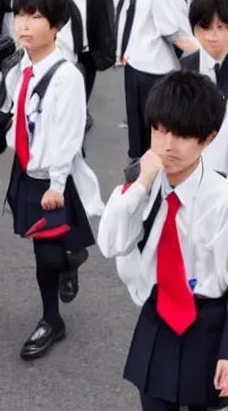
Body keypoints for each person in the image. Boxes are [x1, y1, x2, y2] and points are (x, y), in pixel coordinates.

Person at [97, 71, 228, 411]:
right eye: (160, 130)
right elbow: (110, 244)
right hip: (158, 316)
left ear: (208, 139)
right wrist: (140, 187)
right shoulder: (141, 184)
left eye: (182, 135)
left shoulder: (222, 199)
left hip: (210, 323)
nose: (167, 145)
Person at [3, 0, 104, 360]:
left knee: (48, 255)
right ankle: (69, 260)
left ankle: (51, 318)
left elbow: (69, 134)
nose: (25, 25)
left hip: (53, 178)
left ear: (57, 24)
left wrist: (57, 183)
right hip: (25, 171)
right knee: (40, 249)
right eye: (20, 15)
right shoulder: (18, 66)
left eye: (36, 16)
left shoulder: (67, 76)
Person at [122, 0, 208, 163]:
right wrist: (210, 56)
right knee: (154, 142)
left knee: (145, 140)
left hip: (142, 67)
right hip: (151, 72)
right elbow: (176, 36)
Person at [181, 0, 228, 174]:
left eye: (221, 27)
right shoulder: (186, 67)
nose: (212, 36)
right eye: (205, 27)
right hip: (198, 166)